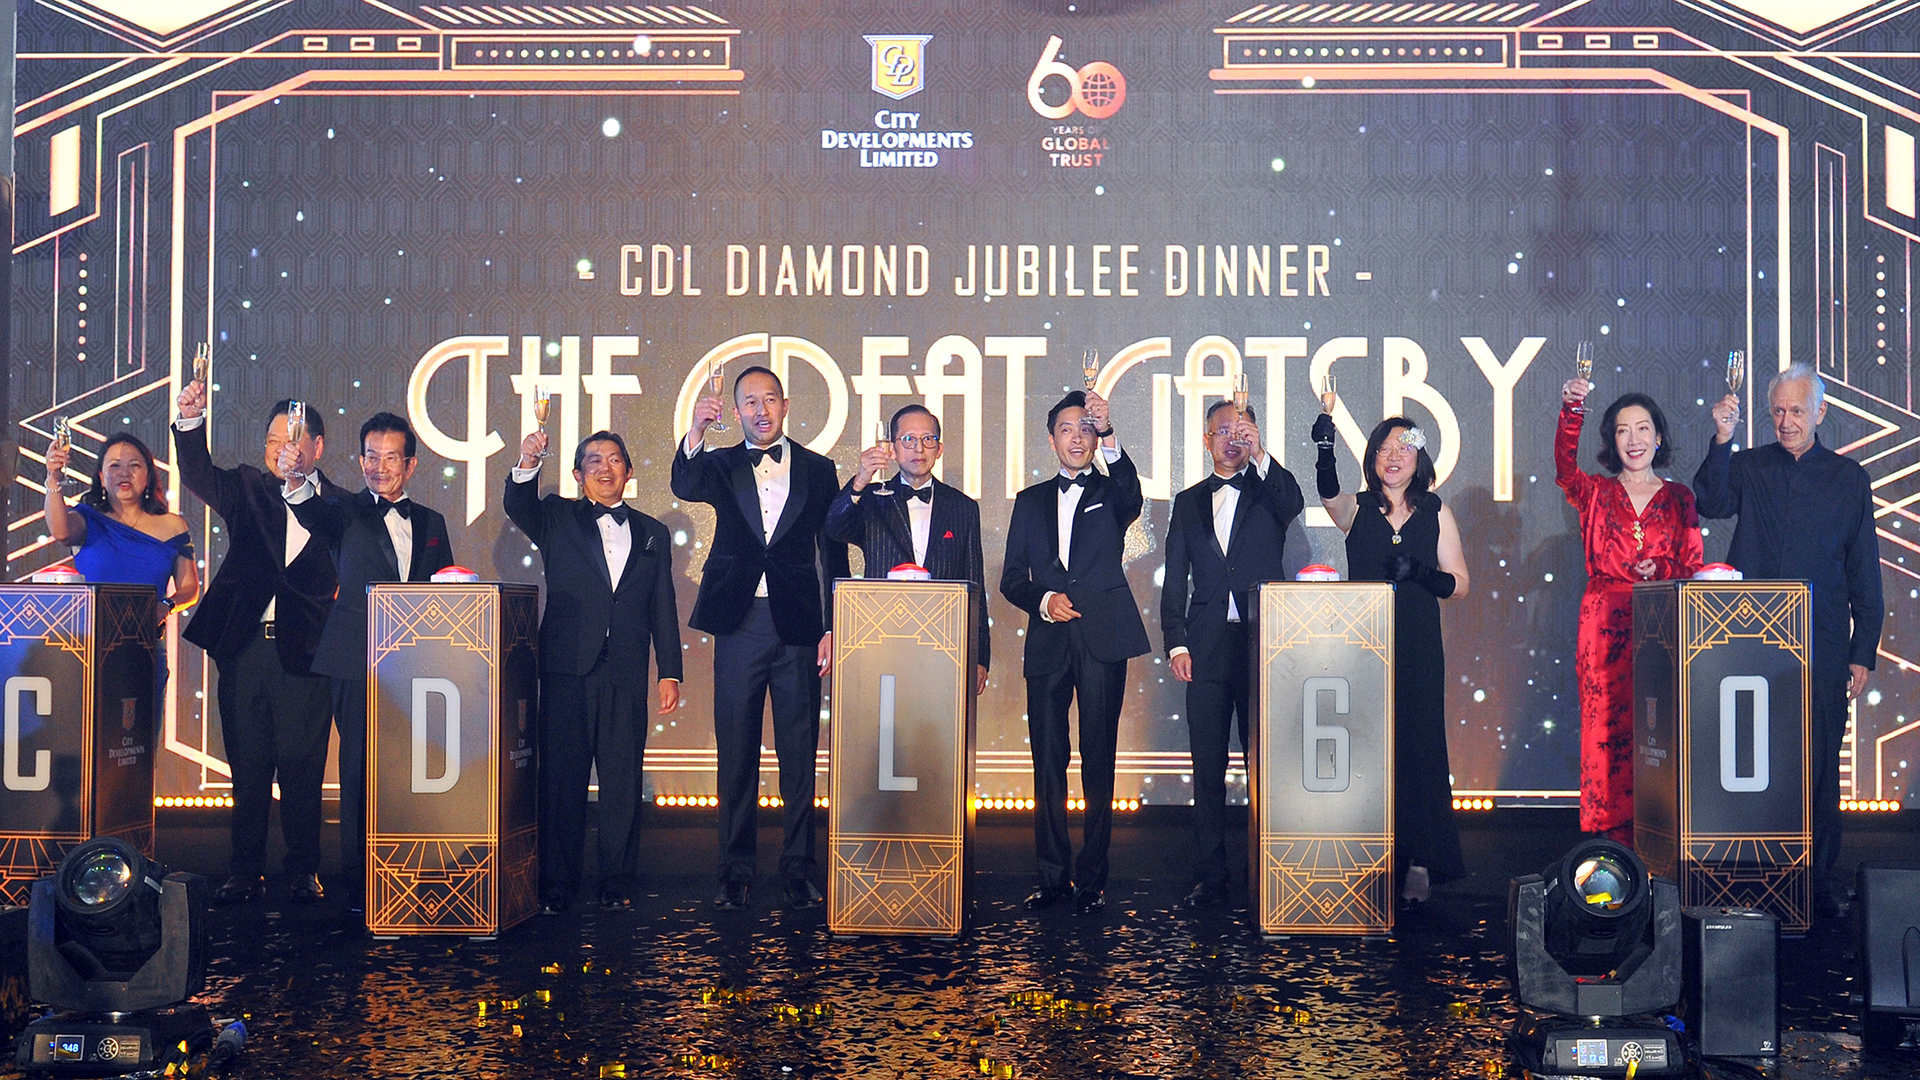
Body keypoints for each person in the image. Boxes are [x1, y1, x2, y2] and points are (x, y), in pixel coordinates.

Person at [1694, 363, 1881, 920]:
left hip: (1823, 645)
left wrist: (1862, 648)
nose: (1786, 420)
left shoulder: (1849, 479)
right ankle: (1752, 873)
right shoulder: (1749, 466)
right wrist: (1723, 439)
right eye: (1777, 410)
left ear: (1820, 413)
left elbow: (1862, 570)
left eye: (1797, 410)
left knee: (1820, 766)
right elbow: (1710, 500)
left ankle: (1818, 880)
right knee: (1756, 760)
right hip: (1751, 644)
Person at [673, 366, 849, 911]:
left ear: (787, 403)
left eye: (769, 399)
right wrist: (696, 432)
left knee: (800, 755)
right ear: (739, 410)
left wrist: (832, 624)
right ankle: (735, 868)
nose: (761, 410)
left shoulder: (820, 470)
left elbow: (833, 548)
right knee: (738, 750)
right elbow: (684, 482)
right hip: (740, 621)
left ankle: (799, 868)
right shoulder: (721, 463)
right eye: (749, 402)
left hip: (798, 625)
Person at [173, 380, 345, 905]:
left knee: (302, 766)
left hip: (306, 652)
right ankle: (244, 870)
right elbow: (199, 472)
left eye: (292, 438)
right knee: (247, 766)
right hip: (246, 647)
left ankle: (302, 869)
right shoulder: (247, 487)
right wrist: (190, 421)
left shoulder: (340, 505)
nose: (280, 448)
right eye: (272, 439)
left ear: (316, 447)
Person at [281, 412, 455, 912]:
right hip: (356, 660)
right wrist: (295, 477)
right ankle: (359, 883)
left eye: (391, 457)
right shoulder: (343, 510)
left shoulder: (432, 523)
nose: (379, 467)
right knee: (359, 769)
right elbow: (309, 508)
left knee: (414, 770)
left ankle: (413, 870)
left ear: (412, 463)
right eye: (370, 457)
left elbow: (448, 589)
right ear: (359, 461)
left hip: (420, 669)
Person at [507, 429, 683, 913]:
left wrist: (670, 669)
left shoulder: (652, 532)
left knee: (623, 780)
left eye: (615, 460)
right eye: (594, 461)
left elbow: (661, 603)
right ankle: (558, 883)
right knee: (562, 780)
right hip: (567, 668)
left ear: (629, 471)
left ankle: (617, 881)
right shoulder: (557, 517)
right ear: (578, 474)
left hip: (625, 670)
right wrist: (527, 459)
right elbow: (518, 503)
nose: (605, 468)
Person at [1000, 390, 1149, 915]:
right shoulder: (1030, 500)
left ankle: (1093, 880)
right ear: (1052, 439)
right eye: (1068, 429)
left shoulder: (1113, 493)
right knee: (1047, 760)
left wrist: (1112, 433)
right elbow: (1012, 579)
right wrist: (1043, 600)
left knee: (1099, 760)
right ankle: (1051, 878)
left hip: (1103, 637)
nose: (1078, 437)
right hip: (1047, 641)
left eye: (1087, 429)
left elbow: (1132, 490)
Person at [1314, 413, 1469, 908]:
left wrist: (1423, 573)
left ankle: (1421, 860)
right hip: (1365, 646)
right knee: (1370, 752)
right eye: (1384, 448)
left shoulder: (1436, 511)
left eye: (1404, 447)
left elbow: (1460, 583)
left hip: (1420, 645)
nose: (1394, 455)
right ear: (1373, 459)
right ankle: (1372, 858)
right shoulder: (1357, 510)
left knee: (1420, 750)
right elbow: (1328, 494)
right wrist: (1324, 447)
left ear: (1419, 457)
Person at [1162, 401, 1304, 909]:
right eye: (1221, 431)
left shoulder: (1269, 492)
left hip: (1263, 642)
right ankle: (1211, 874)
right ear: (1206, 441)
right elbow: (1175, 576)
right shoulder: (1188, 500)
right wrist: (1176, 640)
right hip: (1203, 645)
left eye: (1240, 430)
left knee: (1264, 762)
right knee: (1207, 764)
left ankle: (1267, 870)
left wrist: (1261, 451)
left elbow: (1294, 501)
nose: (1230, 438)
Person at [1556, 382, 1703, 843]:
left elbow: (1695, 567)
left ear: (1658, 437)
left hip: (1663, 620)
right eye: (1623, 431)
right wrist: (1571, 409)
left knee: (1661, 724)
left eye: (1643, 428)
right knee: (1605, 727)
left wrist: (1661, 567)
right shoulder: (1595, 492)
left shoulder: (1680, 498)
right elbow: (1564, 466)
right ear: (1611, 441)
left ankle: (1660, 831)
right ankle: (1608, 840)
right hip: (1603, 622)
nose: (1634, 439)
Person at [824, 404, 990, 696]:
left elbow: (974, 584)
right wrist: (862, 478)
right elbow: (834, 528)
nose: (919, 448)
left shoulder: (963, 507)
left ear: (939, 449)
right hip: (882, 643)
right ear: (893, 448)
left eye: (928, 440)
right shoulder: (873, 500)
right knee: (887, 732)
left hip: (944, 646)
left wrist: (979, 657)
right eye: (908, 439)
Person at [42, 432, 201, 707]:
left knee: (138, 741)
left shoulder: (173, 526)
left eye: (134, 465)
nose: (124, 473)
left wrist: (166, 606)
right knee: (91, 739)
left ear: (149, 475)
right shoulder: (86, 518)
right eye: (114, 466)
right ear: (102, 478)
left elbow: (189, 589)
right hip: (89, 648)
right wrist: (53, 479)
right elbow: (60, 532)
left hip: (145, 648)